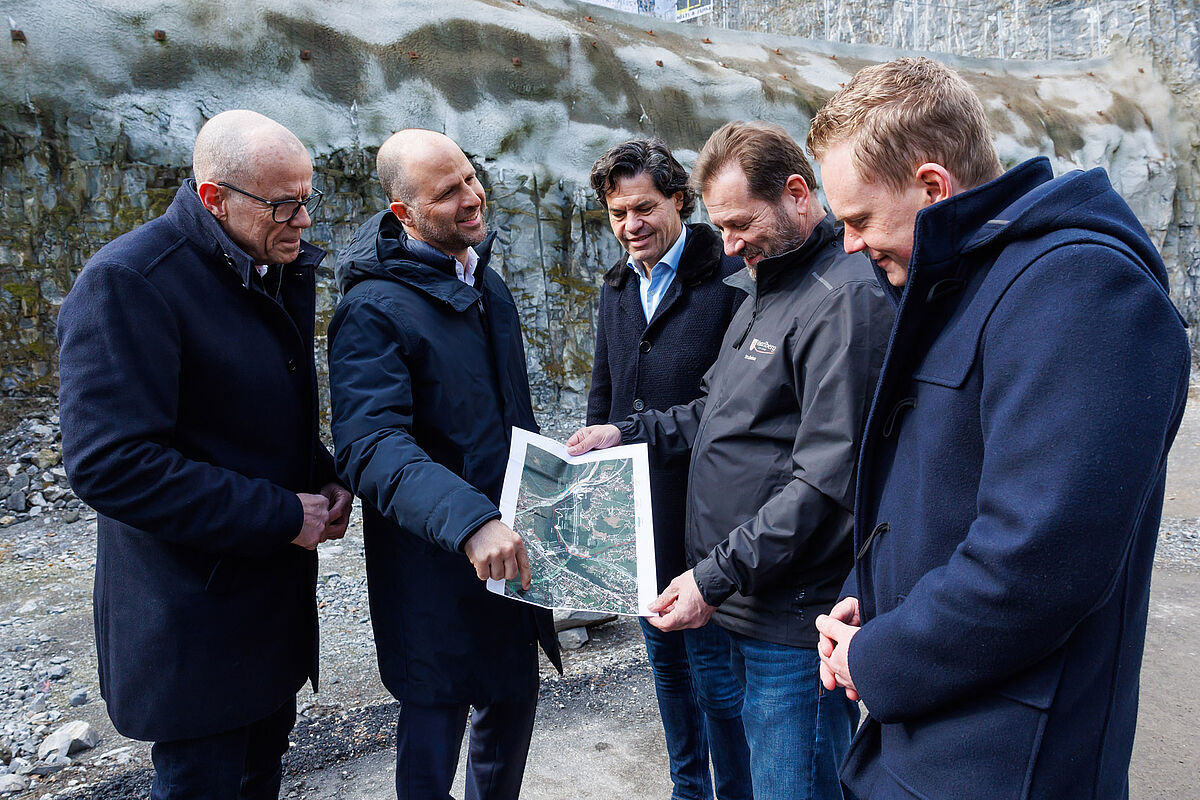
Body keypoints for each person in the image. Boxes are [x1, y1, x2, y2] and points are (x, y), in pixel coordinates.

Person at [806, 56, 1192, 800]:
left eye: (857, 219)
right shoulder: (974, 278)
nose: (848, 244)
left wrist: (878, 658)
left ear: (932, 187)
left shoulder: (1080, 289)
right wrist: (869, 594)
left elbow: (1035, 562)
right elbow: (938, 487)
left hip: (1002, 763)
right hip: (933, 736)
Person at [568, 121, 894, 800]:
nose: (730, 244)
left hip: (789, 618)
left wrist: (712, 575)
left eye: (741, 224)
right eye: (722, 226)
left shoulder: (844, 299)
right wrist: (626, 433)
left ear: (799, 195)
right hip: (744, 599)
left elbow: (825, 484)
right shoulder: (768, 284)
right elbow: (710, 413)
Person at [57, 109, 351, 800]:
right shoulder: (129, 282)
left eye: (308, 197)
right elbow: (110, 463)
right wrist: (283, 513)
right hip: (193, 619)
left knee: (259, 777)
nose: (304, 219)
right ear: (216, 197)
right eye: (285, 203)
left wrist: (323, 475)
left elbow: (247, 414)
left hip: (264, 610)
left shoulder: (263, 262)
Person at [326, 129, 561, 800]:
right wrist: (469, 521)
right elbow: (369, 447)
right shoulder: (370, 312)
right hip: (436, 570)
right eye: (448, 191)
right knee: (432, 750)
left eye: (469, 177)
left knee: (510, 717)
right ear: (403, 213)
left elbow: (506, 418)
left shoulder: (485, 281)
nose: (472, 196)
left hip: (513, 556)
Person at [587, 138, 752, 800]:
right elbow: (604, 393)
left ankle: (734, 792)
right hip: (640, 518)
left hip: (707, 520)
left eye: (645, 209)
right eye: (618, 212)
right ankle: (690, 789)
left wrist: (624, 430)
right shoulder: (617, 284)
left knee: (717, 677)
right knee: (666, 669)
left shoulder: (732, 282)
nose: (631, 226)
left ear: (680, 200)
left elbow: (730, 410)